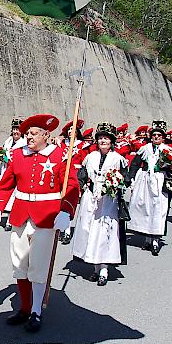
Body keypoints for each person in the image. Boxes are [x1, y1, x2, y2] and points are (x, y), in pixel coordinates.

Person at [0, 114, 80, 332]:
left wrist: (66, 211)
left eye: (33, 133)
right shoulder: (17, 155)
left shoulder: (59, 156)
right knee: (20, 264)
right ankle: (24, 307)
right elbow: (5, 184)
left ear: (45, 135)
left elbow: (71, 186)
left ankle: (36, 311)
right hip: (21, 215)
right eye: (27, 133)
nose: (28, 137)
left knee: (38, 266)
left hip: (46, 217)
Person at [72, 123, 129, 286]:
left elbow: (124, 178)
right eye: (101, 138)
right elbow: (81, 174)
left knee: (105, 233)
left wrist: (114, 186)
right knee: (90, 231)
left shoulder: (118, 159)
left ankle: (104, 269)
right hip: (91, 198)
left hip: (108, 202)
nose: (103, 141)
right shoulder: (90, 157)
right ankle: (95, 268)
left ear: (112, 142)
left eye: (106, 138)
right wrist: (83, 185)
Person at [127, 121, 172, 256]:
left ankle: (155, 240)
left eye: (159, 135)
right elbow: (135, 163)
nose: (156, 137)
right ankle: (147, 238)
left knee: (158, 209)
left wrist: (168, 167)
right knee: (144, 207)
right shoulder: (145, 148)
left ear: (163, 137)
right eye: (154, 135)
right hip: (145, 179)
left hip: (160, 180)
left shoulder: (167, 150)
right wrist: (130, 177)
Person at [56, 119, 86, 245]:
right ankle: (63, 229)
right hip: (62, 176)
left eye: (72, 130)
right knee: (61, 204)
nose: (70, 132)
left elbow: (86, 163)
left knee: (72, 204)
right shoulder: (62, 145)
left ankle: (71, 230)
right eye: (68, 130)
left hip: (76, 177)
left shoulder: (83, 146)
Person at [0, 118, 27, 231]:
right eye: (14, 129)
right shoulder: (8, 141)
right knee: (6, 196)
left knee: (14, 197)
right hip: (5, 171)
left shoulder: (24, 143)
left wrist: (8, 160)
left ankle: (10, 220)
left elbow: (21, 160)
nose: (15, 132)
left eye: (18, 129)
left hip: (16, 173)